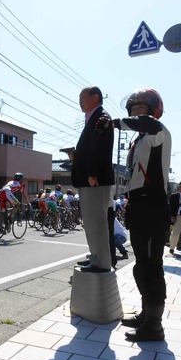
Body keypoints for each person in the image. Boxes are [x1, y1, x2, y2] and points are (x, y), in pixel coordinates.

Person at [110, 88, 171, 342]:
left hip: (153, 204)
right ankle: (147, 314)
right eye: (131, 110)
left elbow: (147, 124)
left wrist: (114, 123)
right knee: (141, 265)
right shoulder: (138, 140)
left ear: (153, 109)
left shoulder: (158, 131)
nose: (135, 115)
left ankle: (154, 326)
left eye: (140, 109)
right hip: (138, 205)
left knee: (152, 266)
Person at [70, 86, 115, 273]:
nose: (80, 100)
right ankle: (96, 257)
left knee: (96, 221)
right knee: (91, 221)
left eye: (83, 97)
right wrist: (77, 155)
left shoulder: (101, 118)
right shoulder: (94, 118)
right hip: (90, 179)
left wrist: (92, 174)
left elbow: (99, 149)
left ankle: (102, 261)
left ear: (95, 97)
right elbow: (91, 149)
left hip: (94, 180)